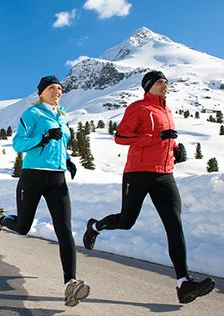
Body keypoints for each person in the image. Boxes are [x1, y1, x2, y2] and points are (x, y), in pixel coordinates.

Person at [82, 70, 215, 304]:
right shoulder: (139, 108)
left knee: (174, 224)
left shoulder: (167, 110)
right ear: (149, 85)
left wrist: (174, 149)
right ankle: (95, 226)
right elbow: (121, 137)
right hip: (138, 172)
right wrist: (157, 137)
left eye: (166, 81)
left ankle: (183, 282)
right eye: (161, 82)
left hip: (164, 175)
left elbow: (164, 139)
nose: (166, 85)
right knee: (126, 221)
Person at [0, 75, 89, 307]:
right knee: (23, 227)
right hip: (32, 175)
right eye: (53, 88)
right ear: (41, 92)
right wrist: (43, 137)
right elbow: (18, 144)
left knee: (64, 230)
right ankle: (3, 220)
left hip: (57, 178)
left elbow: (61, 144)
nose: (58, 91)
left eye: (60, 88)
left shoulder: (62, 117)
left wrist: (68, 159)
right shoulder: (32, 114)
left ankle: (70, 284)